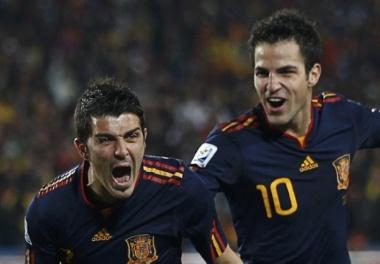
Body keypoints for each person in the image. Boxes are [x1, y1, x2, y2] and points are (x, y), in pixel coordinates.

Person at [190, 9, 380, 264]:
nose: (271, 85)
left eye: (285, 72)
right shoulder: (232, 141)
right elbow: (186, 196)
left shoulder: (341, 117)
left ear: (313, 74)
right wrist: (224, 259)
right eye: (262, 73)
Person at [24, 78, 242, 264]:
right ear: (83, 149)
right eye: (106, 140)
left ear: (144, 138)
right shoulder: (48, 210)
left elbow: (225, 260)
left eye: (131, 136)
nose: (121, 151)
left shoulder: (179, 186)